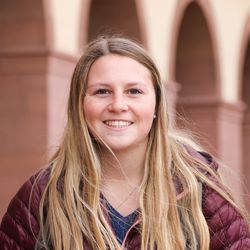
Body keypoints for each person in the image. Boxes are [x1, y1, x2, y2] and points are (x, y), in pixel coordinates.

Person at [0, 36, 249, 250]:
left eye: (134, 91)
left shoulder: (198, 188)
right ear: (80, 105)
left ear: (156, 106)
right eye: (102, 91)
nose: (118, 105)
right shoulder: (43, 195)